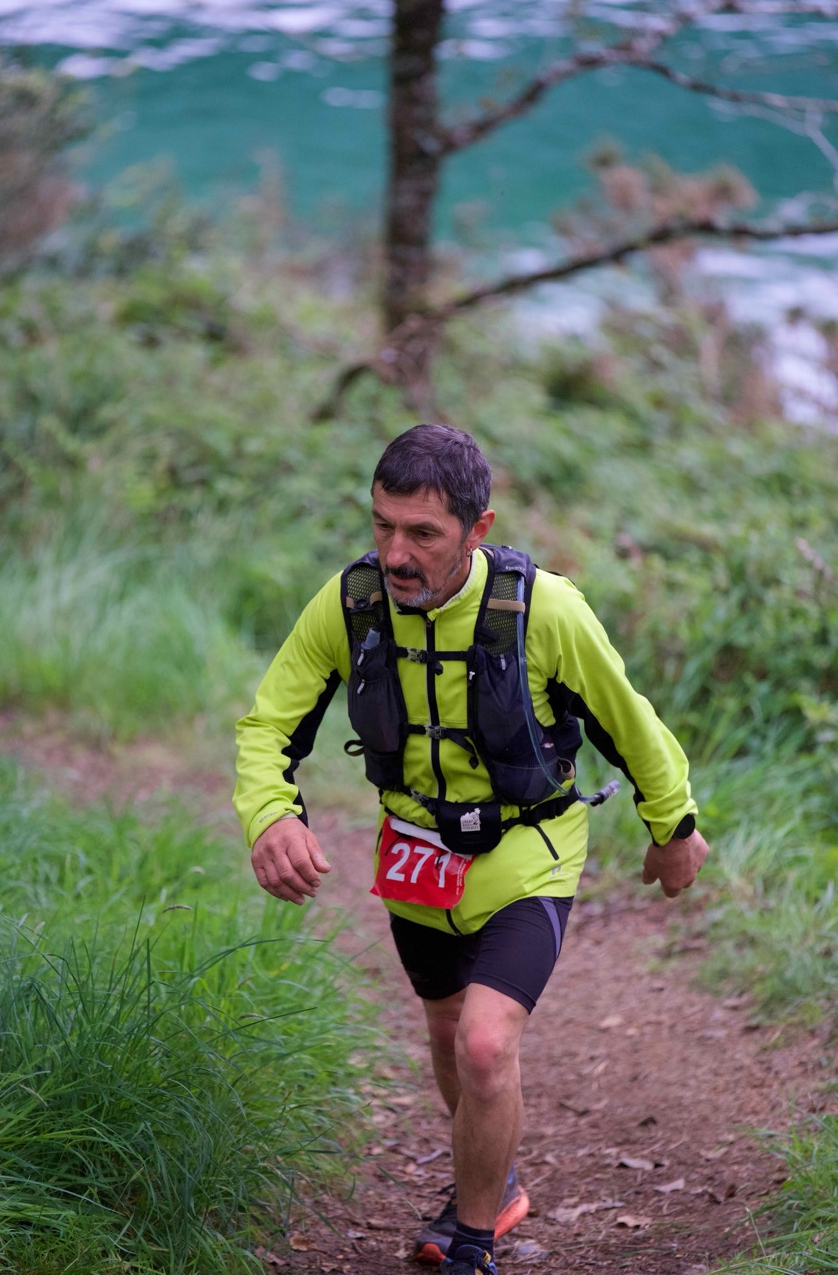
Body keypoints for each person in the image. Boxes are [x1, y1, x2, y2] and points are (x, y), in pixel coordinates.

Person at [234, 423, 710, 1275]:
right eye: (382, 525)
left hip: (527, 852)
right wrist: (270, 815)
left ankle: (474, 1243)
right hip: (413, 857)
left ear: (476, 529)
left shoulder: (542, 610)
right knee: (449, 1029)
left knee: (485, 1044)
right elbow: (269, 725)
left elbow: (629, 723)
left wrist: (671, 826)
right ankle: (492, 1181)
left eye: (422, 533)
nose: (395, 553)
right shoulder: (349, 604)